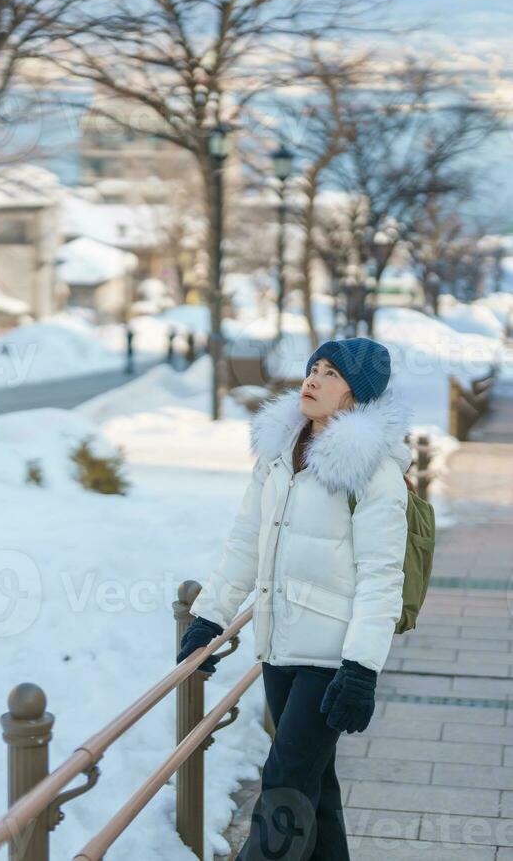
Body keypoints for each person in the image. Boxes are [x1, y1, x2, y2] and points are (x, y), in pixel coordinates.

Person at [176, 337, 413, 860]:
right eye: (314, 368)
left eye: (331, 374)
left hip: (331, 659)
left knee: (284, 782)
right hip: (279, 648)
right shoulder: (281, 451)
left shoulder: (374, 470)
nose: (313, 380)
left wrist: (361, 668)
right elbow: (245, 538)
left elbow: (381, 575)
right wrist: (209, 617)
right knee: (314, 784)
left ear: (356, 395)